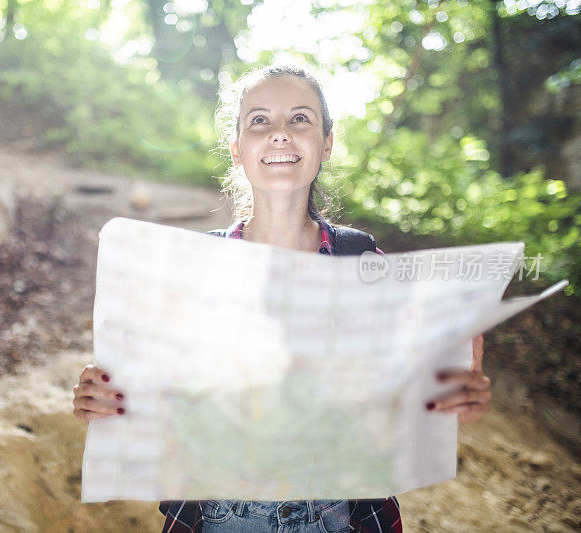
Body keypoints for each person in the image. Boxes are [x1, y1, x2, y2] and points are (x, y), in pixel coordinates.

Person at [72, 64, 492, 532]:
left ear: (327, 143)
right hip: (217, 516)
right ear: (236, 150)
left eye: (299, 119)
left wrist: (456, 389)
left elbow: (413, 386)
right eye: (259, 121)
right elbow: (153, 392)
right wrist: (105, 400)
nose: (279, 135)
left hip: (342, 516)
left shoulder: (366, 263)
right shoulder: (190, 268)